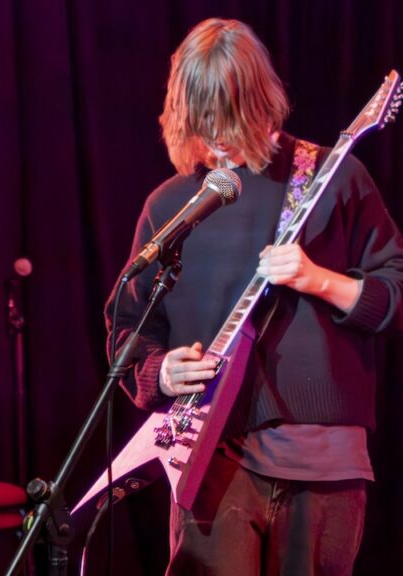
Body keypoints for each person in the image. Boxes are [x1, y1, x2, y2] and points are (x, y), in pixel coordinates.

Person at [107, 18, 403, 575]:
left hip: (321, 463)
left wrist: (321, 280)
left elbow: (396, 290)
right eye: (204, 117)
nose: (217, 133)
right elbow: (128, 327)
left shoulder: (333, 178)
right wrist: (160, 373)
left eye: (229, 114)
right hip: (210, 458)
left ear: (259, 100)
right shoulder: (170, 206)